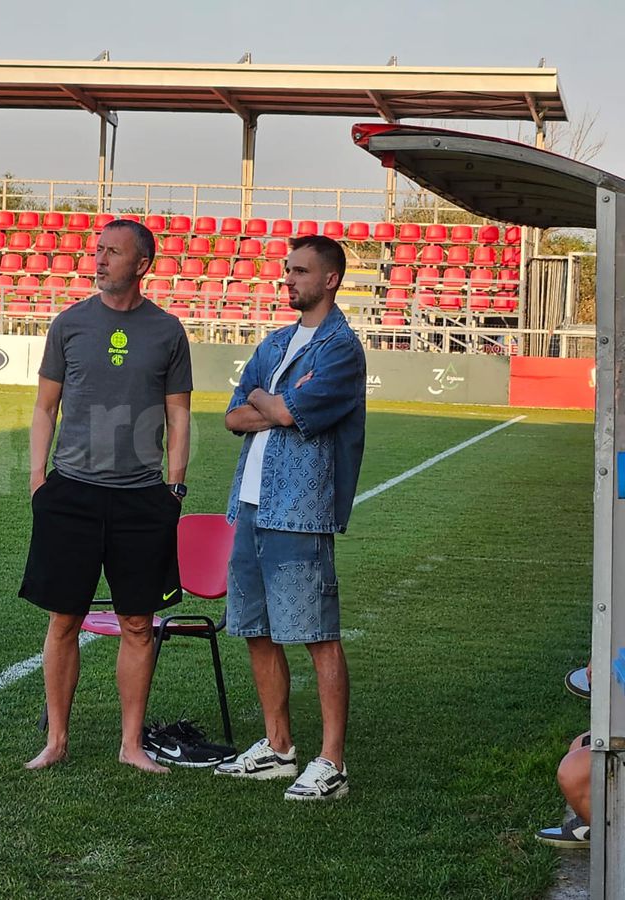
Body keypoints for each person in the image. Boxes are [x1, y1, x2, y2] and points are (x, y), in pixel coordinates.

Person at [20, 219, 192, 774]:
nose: (99, 260)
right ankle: (57, 740)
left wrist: (175, 485)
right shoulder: (69, 324)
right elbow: (45, 407)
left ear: (141, 265)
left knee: (138, 624)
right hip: (70, 494)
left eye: (112, 253)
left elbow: (179, 413)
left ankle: (131, 744)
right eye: (98, 251)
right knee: (63, 619)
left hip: (142, 498)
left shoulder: (168, 331)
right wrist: (37, 480)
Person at [214, 234, 366, 801]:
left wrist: (269, 403)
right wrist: (270, 406)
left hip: (299, 510)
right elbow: (233, 418)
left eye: (300, 271)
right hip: (251, 504)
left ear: (329, 279)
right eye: (286, 270)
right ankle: (278, 748)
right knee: (254, 627)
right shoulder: (276, 342)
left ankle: (332, 762)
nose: (288, 279)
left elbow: (283, 408)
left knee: (317, 634)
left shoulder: (340, 348)